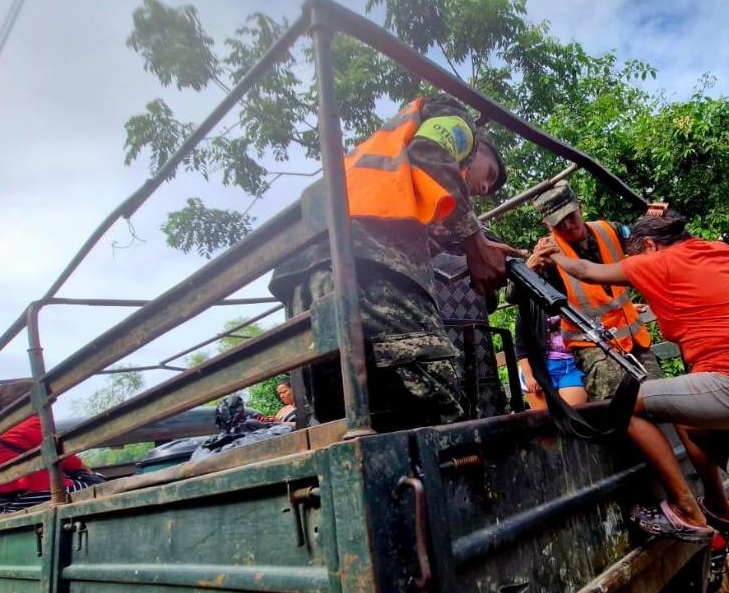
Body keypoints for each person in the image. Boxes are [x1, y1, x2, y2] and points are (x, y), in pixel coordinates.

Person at [270, 93, 521, 431]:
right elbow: (430, 153)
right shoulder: (460, 124)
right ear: (478, 150)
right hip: (363, 265)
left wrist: (422, 238)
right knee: (438, 402)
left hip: (304, 270)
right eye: (489, 175)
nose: (484, 187)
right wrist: (476, 243)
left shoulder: (384, 151)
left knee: (350, 415)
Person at [548, 212, 729, 540]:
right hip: (715, 385)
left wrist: (553, 253)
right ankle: (718, 504)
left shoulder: (656, 260)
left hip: (724, 384)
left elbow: (587, 271)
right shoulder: (718, 250)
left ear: (649, 244)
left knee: (624, 404)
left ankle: (686, 510)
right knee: (691, 424)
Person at [525, 181, 662, 400]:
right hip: (592, 345)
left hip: (633, 338)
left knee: (660, 398)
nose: (568, 226)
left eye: (571, 216)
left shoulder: (611, 230)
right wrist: (530, 266)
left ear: (579, 207)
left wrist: (658, 219)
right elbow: (514, 295)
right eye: (559, 223)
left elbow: (650, 245)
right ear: (547, 225)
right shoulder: (547, 254)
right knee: (618, 405)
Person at [0, 379, 100, 514]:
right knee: (98, 487)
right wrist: (86, 470)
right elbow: (66, 458)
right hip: (36, 494)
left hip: (4, 503)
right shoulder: (34, 424)